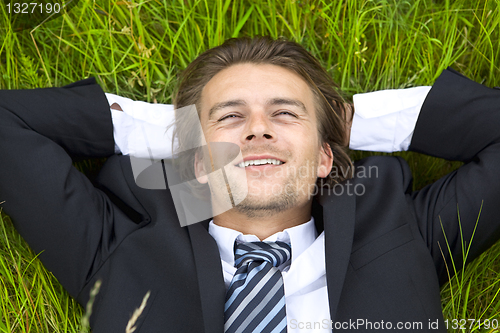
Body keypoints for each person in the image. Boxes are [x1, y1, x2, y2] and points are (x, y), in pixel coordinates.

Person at [0, 36, 499, 332]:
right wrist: (174, 130)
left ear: (326, 156)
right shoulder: (120, 243)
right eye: (230, 115)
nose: (258, 129)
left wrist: (350, 120)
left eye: (284, 113)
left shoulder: (399, 228)